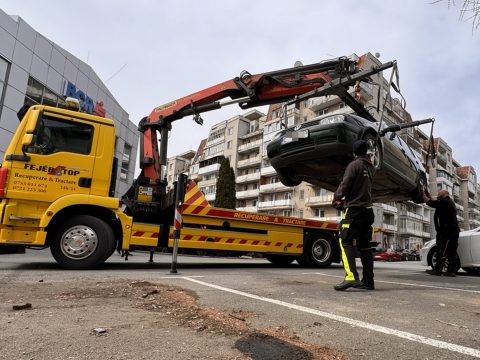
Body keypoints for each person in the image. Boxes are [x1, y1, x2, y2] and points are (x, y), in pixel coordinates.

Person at [332, 139, 376, 291]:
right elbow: (361, 188)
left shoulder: (354, 165)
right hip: (368, 210)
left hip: (354, 211)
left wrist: (337, 197)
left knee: (345, 242)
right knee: (365, 246)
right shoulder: (370, 167)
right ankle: (368, 281)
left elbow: (346, 185)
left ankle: (351, 277)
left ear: (354, 152)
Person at [423, 189, 460, 277]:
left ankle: (440, 270)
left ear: (445, 194)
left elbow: (431, 203)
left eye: (439, 193)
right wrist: (428, 196)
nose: (438, 194)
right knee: (449, 251)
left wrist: (423, 195)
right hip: (449, 232)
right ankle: (449, 271)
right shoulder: (445, 202)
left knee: (442, 250)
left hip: (447, 233)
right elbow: (434, 202)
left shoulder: (445, 202)